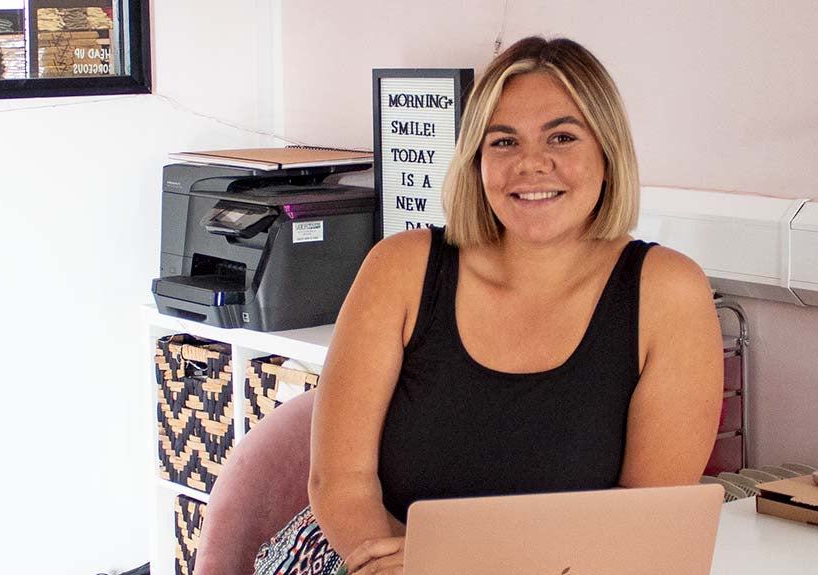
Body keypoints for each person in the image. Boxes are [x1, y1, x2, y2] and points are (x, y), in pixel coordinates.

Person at [255, 35, 723, 575]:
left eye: (562, 137)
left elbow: (642, 523)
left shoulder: (669, 292)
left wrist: (463, 565)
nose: (531, 164)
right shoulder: (399, 268)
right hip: (369, 558)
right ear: (475, 159)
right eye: (503, 142)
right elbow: (340, 482)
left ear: (607, 150)